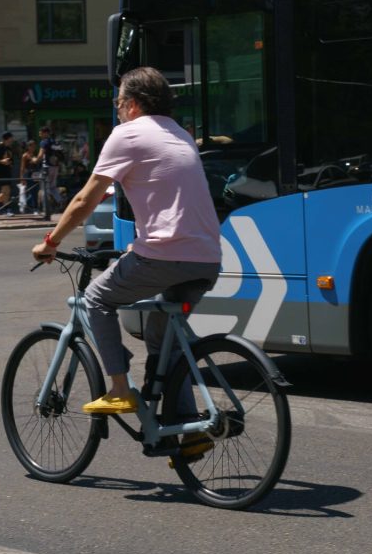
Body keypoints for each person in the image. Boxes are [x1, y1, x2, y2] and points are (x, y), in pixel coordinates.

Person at [31, 66, 222, 457]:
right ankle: (186, 430)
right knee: (163, 338)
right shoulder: (181, 134)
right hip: (206, 258)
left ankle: (118, 387)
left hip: (167, 256)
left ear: (133, 104)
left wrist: (51, 241)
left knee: (94, 300)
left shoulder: (128, 134)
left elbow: (86, 199)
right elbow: (170, 200)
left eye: (119, 103)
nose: (118, 110)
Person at [36, 126, 64, 211]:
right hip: (55, 167)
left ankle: (46, 209)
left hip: (47, 167)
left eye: (41, 132)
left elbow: (40, 155)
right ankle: (60, 201)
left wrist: (35, 160)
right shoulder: (55, 142)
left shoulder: (44, 142)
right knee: (53, 187)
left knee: (44, 188)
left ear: (45, 133)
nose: (39, 134)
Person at [19, 139, 40, 214]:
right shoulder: (25, 155)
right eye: (31, 146)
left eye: (34, 146)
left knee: (35, 191)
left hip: (35, 175)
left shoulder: (35, 155)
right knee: (31, 191)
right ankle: (31, 207)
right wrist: (22, 178)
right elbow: (22, 167)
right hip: (28, 174)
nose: (33, 148)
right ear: (28, 147)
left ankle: (33, 207)